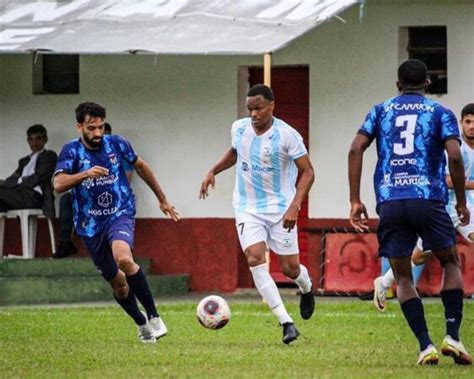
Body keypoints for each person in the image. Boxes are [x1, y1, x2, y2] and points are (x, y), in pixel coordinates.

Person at [348, 59, 472, 365]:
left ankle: (425, 345)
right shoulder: (440, 113)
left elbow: (355, 149)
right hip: (428, 197)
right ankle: (453, 336)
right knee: (450, 261)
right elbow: (454, 155)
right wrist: (459, 200)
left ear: (397, 85)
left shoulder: (380, 110)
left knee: (403, 276)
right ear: (428, 84)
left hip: (390, 199)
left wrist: (354, 200)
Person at [53, 101, 180, 343]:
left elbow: (141, 166)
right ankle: (142, 324)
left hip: (119, 212)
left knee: (124, 258)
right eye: (91, 128)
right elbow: (58, 185)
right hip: (90, 225)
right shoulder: (71, 151)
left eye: (101, 127)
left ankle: (154, 316)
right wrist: (84, 175)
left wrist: (163, 200)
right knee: (119, 285)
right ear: (79, 126)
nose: (98, 133)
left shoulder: (117, 144)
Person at [199, 84, 315, 344]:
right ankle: (286, 322)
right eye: (250, 108)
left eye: (259, 108)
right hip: (247, 208)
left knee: (290, 268)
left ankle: (306, 288)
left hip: (281, 209)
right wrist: (213, 171)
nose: (253, 113)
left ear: (272, 106)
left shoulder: (288, 135)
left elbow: (308, 171)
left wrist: (295, 206)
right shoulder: (238, 128)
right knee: (254, 258)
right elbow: (235, 152)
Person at [373, 103, 474, 316]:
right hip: (441, 207)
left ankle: (383, 282)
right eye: (468, 122)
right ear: (461, 124)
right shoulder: (454, 149)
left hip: (465, 208)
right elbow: (446, 180)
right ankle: (383, 282)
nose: (471, 126)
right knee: (419, 257)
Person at [53, 122, 133, 258]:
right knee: (66, 200)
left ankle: (120, 249)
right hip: (87, 196)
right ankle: (66, 242)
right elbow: (65, 181)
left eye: (102, 132)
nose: (98, 136)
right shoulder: (81, 153)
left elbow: (127, 179)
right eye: (93, 131)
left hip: (113, 198)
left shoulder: (117, 151)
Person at [0, 124, 57, 217]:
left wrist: (18, 181)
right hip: (18, 195)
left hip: (34, 197)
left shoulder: (49, 156)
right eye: (31, 139)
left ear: (45, 139)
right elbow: (11, 179)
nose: (34, 143)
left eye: (38, 138)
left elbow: (36, 179)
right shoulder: (24, 161)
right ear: (28, 141)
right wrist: (12, 182)